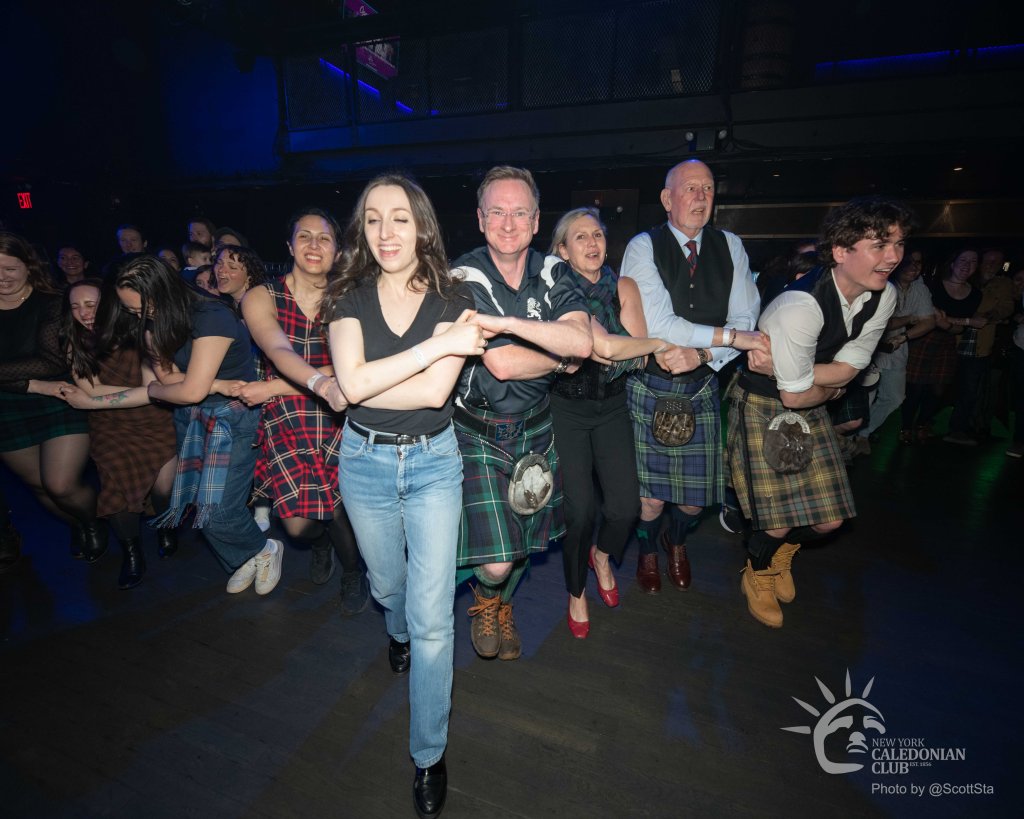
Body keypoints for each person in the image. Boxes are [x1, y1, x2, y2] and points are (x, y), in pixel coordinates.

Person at [324, 174, 483, 819]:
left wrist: (365, 381)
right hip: (362, 463)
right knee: (389, 587)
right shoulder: (347, 295)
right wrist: (437, 346)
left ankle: (428, 754)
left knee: (434, 621)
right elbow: (350, 386)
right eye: (372, 219)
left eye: (399, 218)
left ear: (422, 225)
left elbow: (431, 393)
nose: (385, 232)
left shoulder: (456, 295)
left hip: (433, 465)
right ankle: (396, 627)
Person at [727, 196, 911, 627]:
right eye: (880, 245)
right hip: (761, 403)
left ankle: (780, 554)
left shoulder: (884, 296)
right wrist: (831, 385)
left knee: (831, 520)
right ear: (841, 251)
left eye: (899, 244)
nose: (893, 257)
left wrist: (804, 375)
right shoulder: (801, 305)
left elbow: (852, 367)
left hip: (804, 398)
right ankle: (757, 572)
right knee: (776, 519)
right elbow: (795, 397)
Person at [451, 165, 592, 661]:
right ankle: (489, 597)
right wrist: (561, 358)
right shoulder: (462, 277)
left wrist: (511, 325)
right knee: (496, 561)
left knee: (524, 542)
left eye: (519, 213)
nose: (508, 223)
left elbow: (583, 340)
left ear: (535, 221)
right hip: (477, 431)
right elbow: (503, 364)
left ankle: (502, 602)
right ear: (480, 219)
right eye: (497, 212)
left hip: (536, 427)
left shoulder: (553, 270)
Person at [620, 159, 763, 593]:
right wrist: (731, 339)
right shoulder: (643, 246)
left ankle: (676, 541)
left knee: (694, 501)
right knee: (650, 498)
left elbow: (746, 317)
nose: (701, 197)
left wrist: (702, 353)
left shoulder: (731, 245)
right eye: (691, 188)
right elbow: (661, 325)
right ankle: (648, 549)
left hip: (701, 384)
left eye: (708, 189)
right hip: (649, 384)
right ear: (667, 199)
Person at [114, 255, 284, 595]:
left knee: (218, 510)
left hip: (233, 417)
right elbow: (171, 379)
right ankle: (247, 556)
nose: (141, 317)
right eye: (132, 311)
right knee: (200, 506)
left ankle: (265, 548)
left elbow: (183, 389)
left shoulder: (211, 315)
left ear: (166, 292)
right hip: (190, 418)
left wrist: (156, 391)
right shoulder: (153, 324)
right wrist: (206, 384)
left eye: (144, 308)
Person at [546, 207, 672, 638]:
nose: (592, 243)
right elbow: (608, 349)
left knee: (625, 508)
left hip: (613, 406)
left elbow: (635, 355)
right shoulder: (556, 289)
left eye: (597, 235)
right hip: (566, 408)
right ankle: (576, 591)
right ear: (563, 250)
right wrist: (644, 345)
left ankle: (600, 555)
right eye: (580, 237)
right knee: (579, 511)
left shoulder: (624, 286)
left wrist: (633, 347)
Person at [239, 208, 368, 613]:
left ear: (337, 250)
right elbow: (278, 350)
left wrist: (273, 386)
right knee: (298, 527)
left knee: (338, 501)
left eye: (324, 238)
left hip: (338, 410)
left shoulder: (350, 297)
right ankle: (322, 542)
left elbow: (355, 366)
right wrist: (303, 384)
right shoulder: (262, 296)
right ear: (290, 245)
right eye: (304, 236)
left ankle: (353, 573)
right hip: (287, 417)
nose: (314, 245)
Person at [57, 278, 178, 588]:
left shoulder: (140, 333)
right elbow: (90, 389)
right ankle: (132, 552)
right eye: (75, 306)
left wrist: (98, 397)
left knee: (165, 487)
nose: (83, 313)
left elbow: (152, 387)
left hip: (154, 419)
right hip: (110, 423)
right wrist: (136, 393)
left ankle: (165, 526)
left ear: (110, 304)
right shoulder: (74, 343)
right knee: (116, 488)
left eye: (91, 305)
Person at [0, 232, 107, 561]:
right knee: (39, 486)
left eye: (10, 268)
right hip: (8, 405)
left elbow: (51, 362)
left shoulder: (52, 301)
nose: (2, 277)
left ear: (28, 266)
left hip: (59, 397)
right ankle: (77, 524)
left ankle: (93, 522)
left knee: (60, 484)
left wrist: (31, 382)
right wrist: (29, 384)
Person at [852, 248, 934, 449]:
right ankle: (852, 439)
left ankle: (864, 433)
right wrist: (910, 318)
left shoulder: (920, 289)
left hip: (896, 349)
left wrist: (903, 336)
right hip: (869, 347)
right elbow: (880, 323)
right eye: (909, 261)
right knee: (866, 397)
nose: (914, 267)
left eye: (918, 262)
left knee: (895, 397)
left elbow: (929, 322)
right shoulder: (880, 284)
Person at [903, 250, 982, 441]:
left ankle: (922, 424)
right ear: (952, 264)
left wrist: (950, 323)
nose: (967, 265)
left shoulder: (975, 294)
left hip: (947, 342)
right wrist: (967, 321)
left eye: (973, 261)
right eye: (963, 260)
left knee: (938, 389)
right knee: (915, 388)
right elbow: (928, 316)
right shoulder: (932, 285)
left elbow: (958, 329)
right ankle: (905, 427)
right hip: (923, 338)